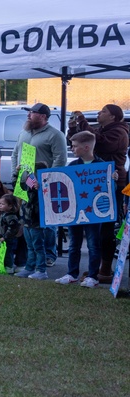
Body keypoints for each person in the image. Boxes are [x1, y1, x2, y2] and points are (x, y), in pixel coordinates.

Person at [68, 104, 129, 283]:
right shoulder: (102, 129)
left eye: (103, 111)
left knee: (106, 227)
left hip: (111, 182)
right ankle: (94, 268)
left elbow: (100, 141)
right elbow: (81, 140)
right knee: (92, 225)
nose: (99, 113)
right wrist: (73, 127)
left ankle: (105, 267)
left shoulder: (120, 132)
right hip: (91, 183)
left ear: (114, 117)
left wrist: (82, 121)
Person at [11, 103, 68, 268]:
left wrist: (48, 180)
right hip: (24, 182)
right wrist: (16, 175)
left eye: (33, 112)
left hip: (44, 184)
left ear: (43, 116)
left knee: (47, 220)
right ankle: (32, 254)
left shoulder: (55, 135)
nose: (29, 115)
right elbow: (16, 154)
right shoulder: (24, 133)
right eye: (28, 112)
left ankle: (49, 254)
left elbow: (60, 160)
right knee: (27, 219)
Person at [56, 131, 106, 286]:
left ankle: (93, 276)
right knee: (73, 244)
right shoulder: (72, 166)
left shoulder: (101, 166)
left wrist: (113, 178)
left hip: (93, 214)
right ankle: (72, 274)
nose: (72, 148)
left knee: (93, 244)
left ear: (86, 147)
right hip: (74, 212)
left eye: (75, 146)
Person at [0, 194, 24, 273]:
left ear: (10, 206)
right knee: (5, 252)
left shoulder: (11, 217)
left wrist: (5, 237)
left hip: (9, 238)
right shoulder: (4, 214)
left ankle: (9, 266)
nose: (0, 205)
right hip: (4, 236)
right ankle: (6, 265)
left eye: (2, 204)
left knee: (8, 252)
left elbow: (12, 229)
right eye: (0, 204)